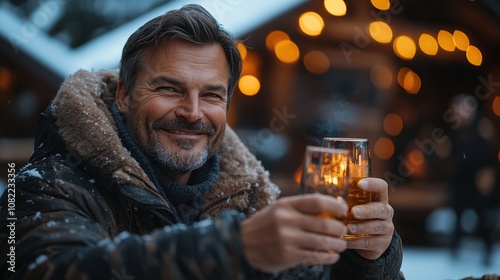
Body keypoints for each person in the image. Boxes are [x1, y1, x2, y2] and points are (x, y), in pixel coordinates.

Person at [0, 4, 403, 279]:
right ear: (124, 95)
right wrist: (232, 250)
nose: (193, 112)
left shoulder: (246, 200)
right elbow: (54, 269)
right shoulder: (41, 184)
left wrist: (366, 261)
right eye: (170, 89)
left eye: (211, 95)